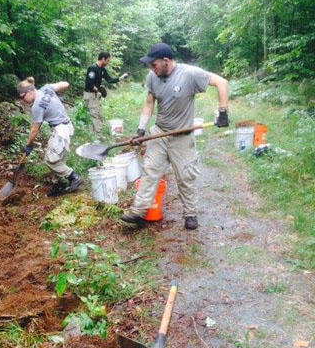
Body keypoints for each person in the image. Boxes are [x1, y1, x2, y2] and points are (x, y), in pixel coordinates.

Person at [120, 43, 229, 230]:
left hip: (182, 136)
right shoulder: (153, 76)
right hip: (160, 133)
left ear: (166, 61)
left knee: (185, 177)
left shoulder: (190, 74)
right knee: (150, 171)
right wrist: (141, 130)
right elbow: (149, 104)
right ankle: (139, 212)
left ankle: (190, 214)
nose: (151, 69)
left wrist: (223, 112)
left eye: (154, 65)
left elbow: (222, 83)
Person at [17, 77, 83, 194]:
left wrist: (29, 145)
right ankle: (58, 184)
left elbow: (35, 130)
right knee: (58, 158)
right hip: (67, 127)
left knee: (50, 160)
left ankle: (74, 177)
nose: (23, 101)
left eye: (23, 97)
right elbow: (66, 83)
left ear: (30, 91)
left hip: (60, 130)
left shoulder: (37, 107)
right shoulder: (46, 88)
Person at [84, 51, 129, 133]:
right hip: (90, 94)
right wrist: (98, 90)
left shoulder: (102, 70)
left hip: (96, 95)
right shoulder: (93, 68)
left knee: (99, 116)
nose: (108, 62)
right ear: (103, 59)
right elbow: (88, 84)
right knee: (95, 116)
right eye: (108, 60)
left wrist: (121, 77)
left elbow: (110, 80)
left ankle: (97, 134)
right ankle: (96, 136)